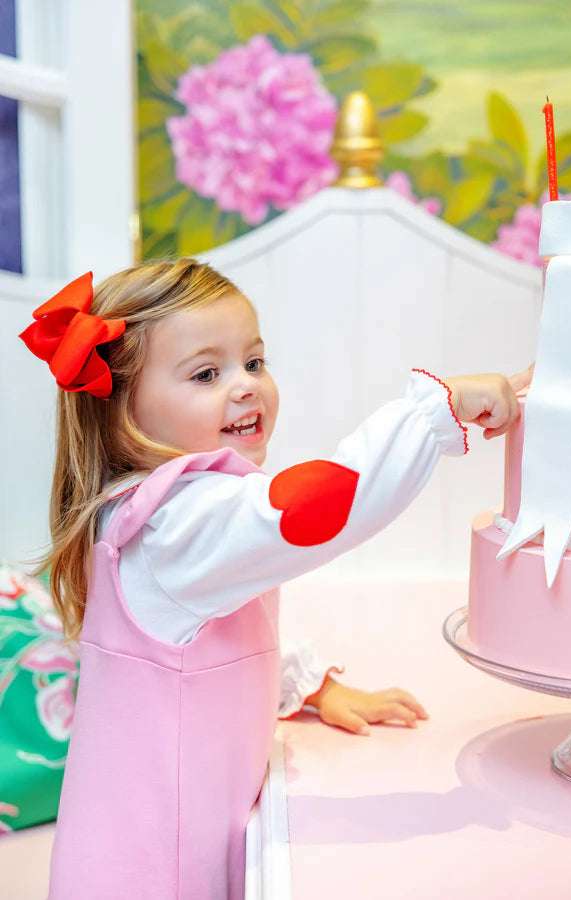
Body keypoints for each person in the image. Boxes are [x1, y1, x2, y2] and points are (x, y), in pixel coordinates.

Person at [20, 259, 528, 900]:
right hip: (153, 871)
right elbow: (314, 508)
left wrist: (307, 685)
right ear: (125, 410)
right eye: (207, 373)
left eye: (254, 362)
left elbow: (215, 640)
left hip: (161, 843)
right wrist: (434, 414)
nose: (245, 386)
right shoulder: (175, 525)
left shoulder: (169, 513)